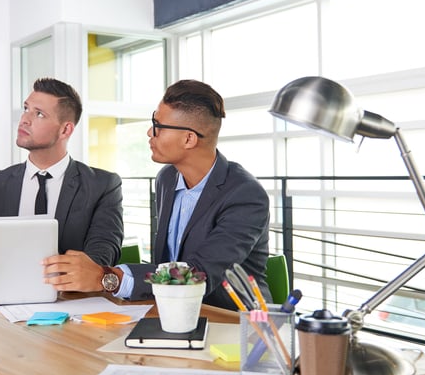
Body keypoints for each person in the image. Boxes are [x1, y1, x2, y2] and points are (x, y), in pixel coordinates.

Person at [43, 79, 270, 311]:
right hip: (170, 311)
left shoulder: (245, 196)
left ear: (189, 139)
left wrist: (108, 277)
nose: (150, 131)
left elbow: (199, 274)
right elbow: (166, 264)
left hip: (231, 323)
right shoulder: (167, 179)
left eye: (158, 125)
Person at [0, 78, 123, 281]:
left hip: (71, 300)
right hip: (1, 300)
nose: (25, 119)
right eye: (26, 108)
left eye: (39, 114)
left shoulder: (103, 185)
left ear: (65, 130)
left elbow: (102, 256)